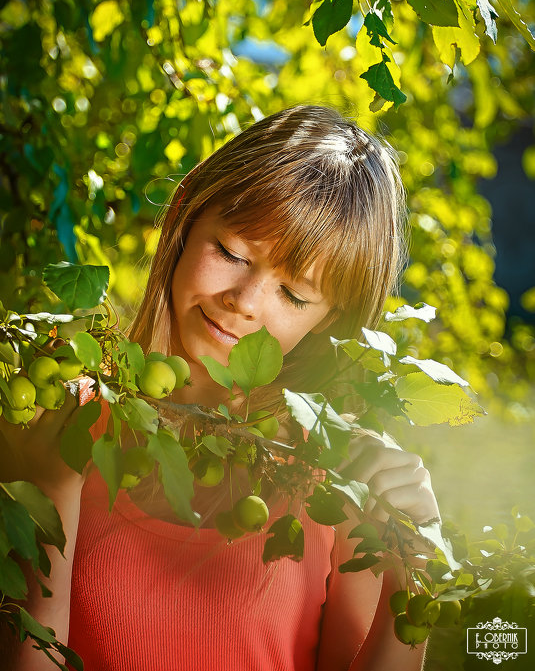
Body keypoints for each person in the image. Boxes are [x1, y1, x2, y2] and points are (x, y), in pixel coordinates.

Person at [1, 105, 440, 671]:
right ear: (184, 215)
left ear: (328, 319)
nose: (245, 301)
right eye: (232, 252)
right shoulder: (55, 426)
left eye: (294, 294)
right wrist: (48, 494)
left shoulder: (337, 483)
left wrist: (416, 574)